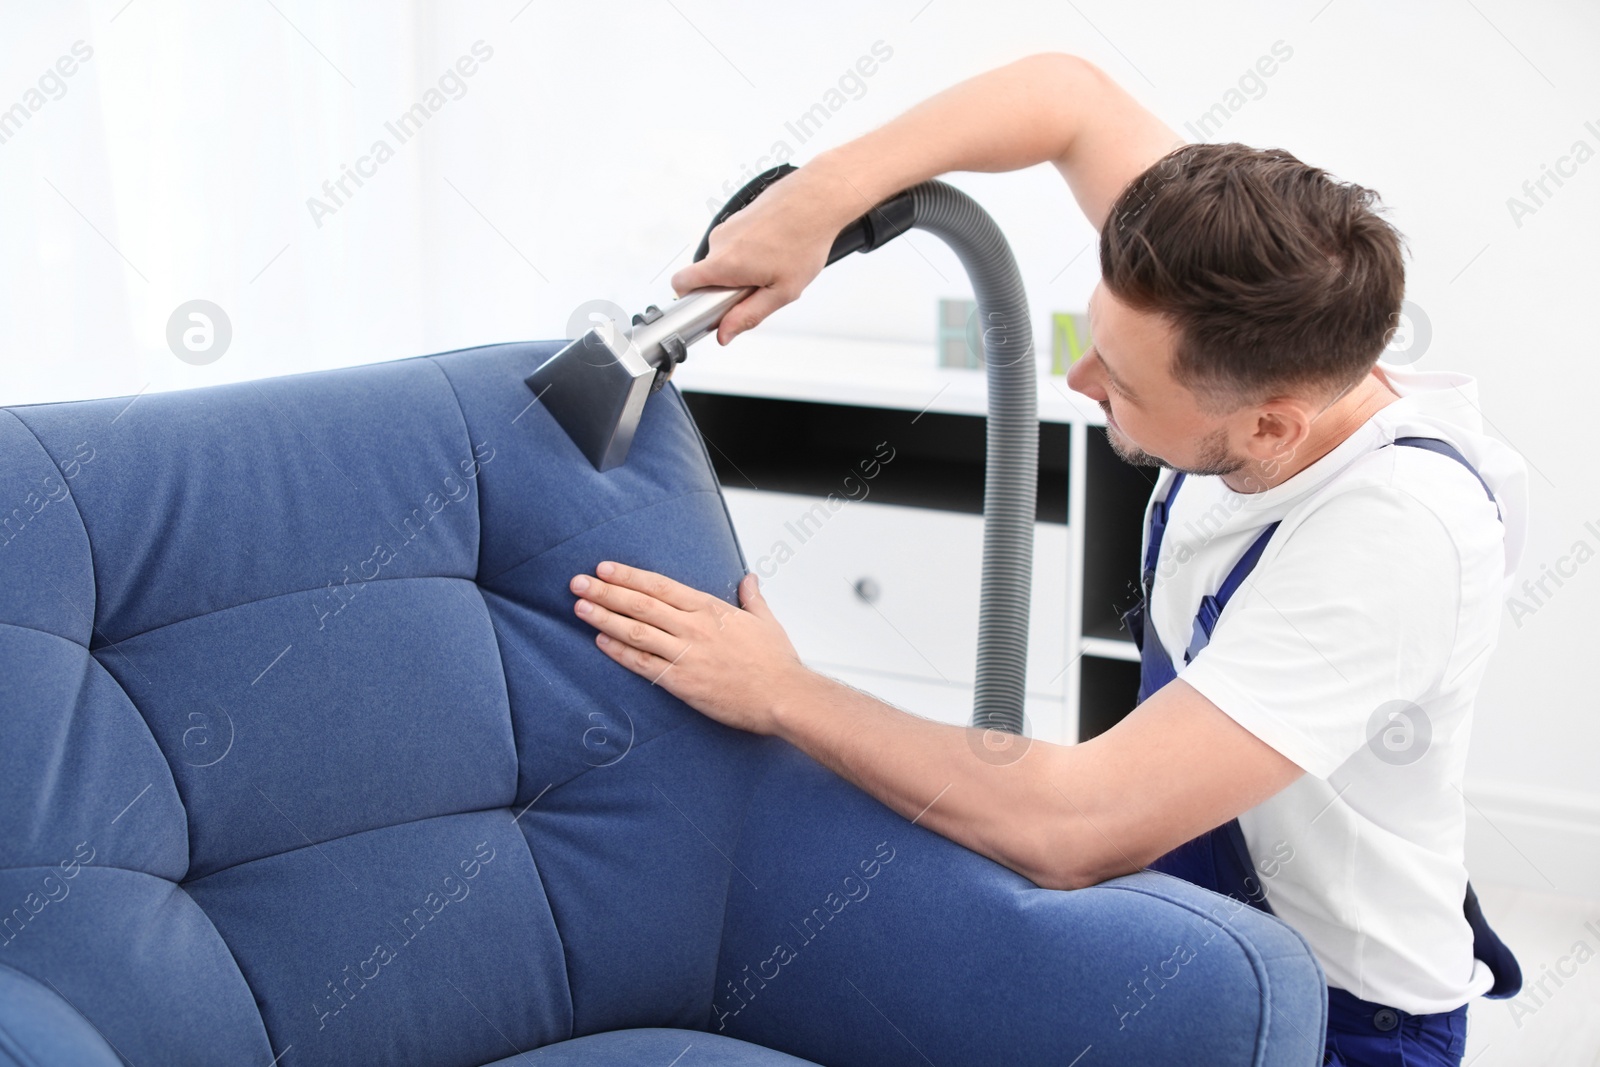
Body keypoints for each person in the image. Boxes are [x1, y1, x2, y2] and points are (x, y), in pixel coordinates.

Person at [564, 53, 1527, 1066]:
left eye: (1120, 378)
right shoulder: (1231, 283)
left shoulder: (1392, 542)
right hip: (1186, 926)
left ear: (1270, 425)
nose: (1076, 376)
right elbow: (1065, 98)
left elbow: (1077, 825)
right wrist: (823, 198)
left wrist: (785, 693)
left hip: (1337, 1017)